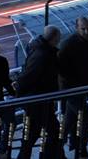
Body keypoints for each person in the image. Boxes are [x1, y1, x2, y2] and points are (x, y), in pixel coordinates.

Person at [15, 25, 65, 159]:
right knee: (52, 131)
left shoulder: (42, 50)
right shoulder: (42, 55)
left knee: (34, 134)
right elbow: (28, 76)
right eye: (58, 37)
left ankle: (56, 155)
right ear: (54, 38)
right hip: (37, 99)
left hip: (40, 99)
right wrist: (20, 94)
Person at [57, 17, 88, 158]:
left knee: (70, 119)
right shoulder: (68, 44)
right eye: (83, 29)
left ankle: (59, 146)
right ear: (77, 28)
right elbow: (59, 66)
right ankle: (82, 148)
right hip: (70, 88)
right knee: (86, 117)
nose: (87, 31)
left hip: (85, 86)